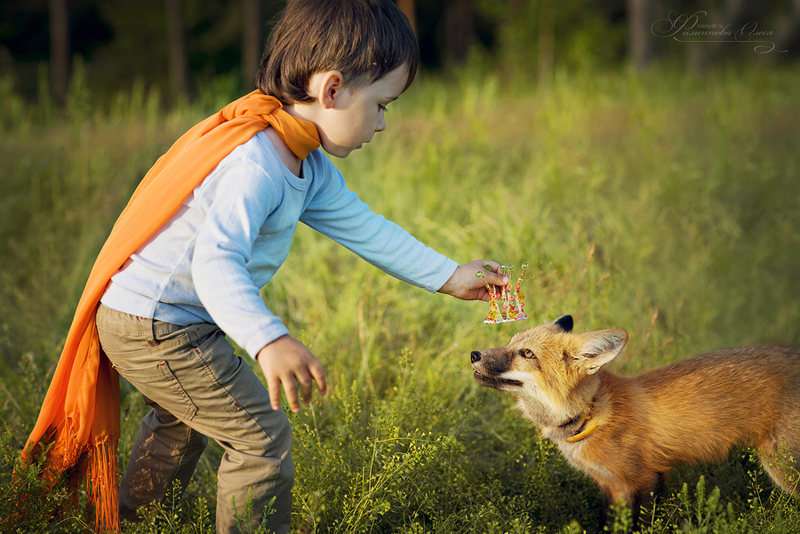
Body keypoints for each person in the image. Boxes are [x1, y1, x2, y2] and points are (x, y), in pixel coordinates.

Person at [23, 1, 509, 532]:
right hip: (154, 325)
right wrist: (268, 339)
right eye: (381, 104)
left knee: (182, 426)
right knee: (262, 437)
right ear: (332, 90)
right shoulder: (256, 163)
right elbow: (214, 263)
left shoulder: (303, 159)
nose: (383, 123)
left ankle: (136, 522)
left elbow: (366, 228)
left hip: (166, 320)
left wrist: (450, 275)